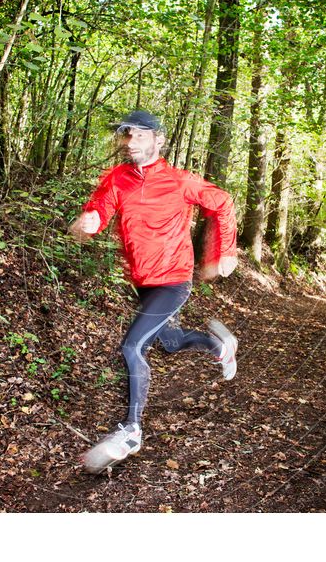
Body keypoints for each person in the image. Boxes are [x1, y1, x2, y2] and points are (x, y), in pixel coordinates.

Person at [69, 109, 239, 474]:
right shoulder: (118, 178)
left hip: (174, 279)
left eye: (141, 136)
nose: (132, 143)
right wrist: (91, 220)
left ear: (159, 140)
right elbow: (99, 206)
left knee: (132, 346)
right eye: (127, 136)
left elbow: (223, 203)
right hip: (142, 281)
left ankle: (131, 429)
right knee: (170, 342)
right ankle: (220, 347)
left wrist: (224, 250)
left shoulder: (179, 182)